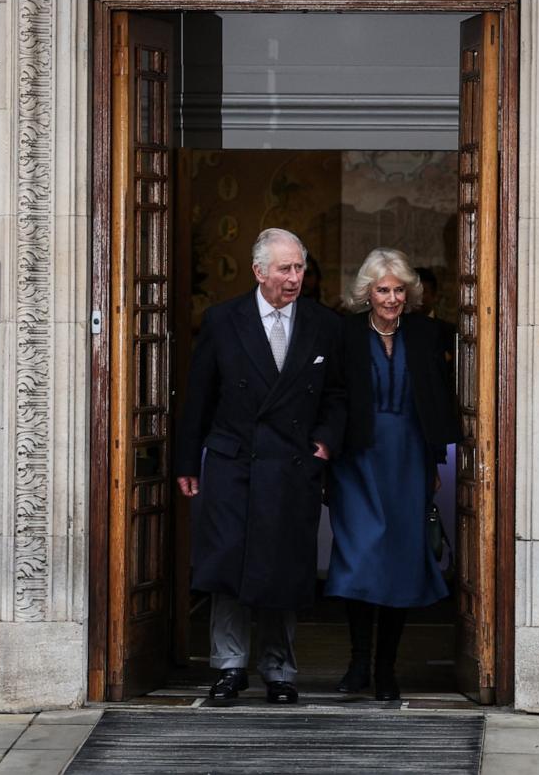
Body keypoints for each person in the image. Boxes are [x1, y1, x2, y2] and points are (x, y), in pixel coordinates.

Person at [174, 227, 347, 705]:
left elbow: (337, 396)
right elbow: (199, 396)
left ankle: (279, 670)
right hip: (233, 462)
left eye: (300, 268)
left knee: (283, 570)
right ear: (258, 272)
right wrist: (188, 459)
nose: (294, 278)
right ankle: (228, 668)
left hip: (292, 465)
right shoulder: (222, 320)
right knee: (226, 567)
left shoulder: (324, 324)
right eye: (285, 269)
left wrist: (325, 444)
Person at [327, 248, 459, 701]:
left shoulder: (427, 334)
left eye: (399, 290)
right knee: (360, 558)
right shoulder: (344, 334)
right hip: (357, 461)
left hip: (408, 461)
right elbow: (332, 395)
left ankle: (386, 669)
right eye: (382, 290)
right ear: (367, 292)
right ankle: (358, 662)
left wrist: (436, 459)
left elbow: (440, 397)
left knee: (401, 563)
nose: (391, 298)